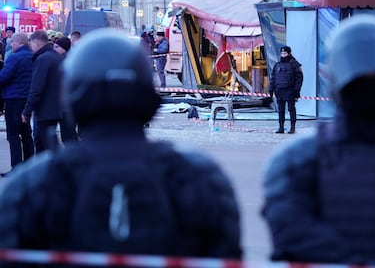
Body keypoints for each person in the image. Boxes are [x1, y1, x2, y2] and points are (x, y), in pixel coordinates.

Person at [0, 30, 242, 263]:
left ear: (73, 96)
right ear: (149, 97)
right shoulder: (197, 177)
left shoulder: (34, 183)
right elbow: (225, 255)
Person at [262, 15, 375, 266]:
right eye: (362, 81)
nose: (371, 87)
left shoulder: (297, 159)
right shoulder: (298, 160)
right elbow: (292, 230)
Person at [22, 30, 63, 153]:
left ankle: (55, 169)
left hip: (45, 108)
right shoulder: (57, 57)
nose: (31, 48)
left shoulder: (43, 59)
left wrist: (26, 110)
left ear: (36, 43)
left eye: (31, 44)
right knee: (43, 141)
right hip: (55, 106)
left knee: (46, 143)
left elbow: (37, 87)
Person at [0, 32, 34, 174]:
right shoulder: (33, 56)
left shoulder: (15, 57)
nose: (10, 44)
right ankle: (30, 164)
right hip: (27, 100)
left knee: (13, 135)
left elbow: (4, 77)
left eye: (12, 41)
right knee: (26, 134)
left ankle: (16, 168)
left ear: (20, 43)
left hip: (14, 99)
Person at [268, 45, 303, 134]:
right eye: (282, 53)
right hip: (279, 90)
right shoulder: (277, 65)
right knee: (281, 110)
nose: (283, 55)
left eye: (285, 53)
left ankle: (292, 127)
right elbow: (273, 78)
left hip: (290, 90)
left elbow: (299, 78)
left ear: (289, 53)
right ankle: (281, 127)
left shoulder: (294, 64)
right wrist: (271, 89)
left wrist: (296, 90)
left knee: (291, 109)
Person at [54, 36, 79, 143]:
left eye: (56, 46)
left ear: (63, 48)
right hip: (68, 102)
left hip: (65, 102)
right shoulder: (71, 59)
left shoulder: (64, 60)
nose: (54, 48)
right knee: (68, 132)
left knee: (68, 133)